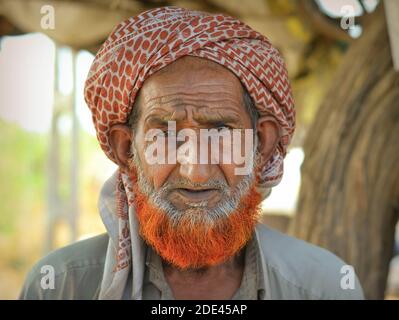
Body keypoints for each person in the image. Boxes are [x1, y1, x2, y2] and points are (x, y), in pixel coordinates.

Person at [20, 7, 364, 300]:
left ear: (262, 144)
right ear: (127, 149)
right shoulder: (60, 285)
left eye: (221, 132)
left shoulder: (324, 287)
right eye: (166, 136)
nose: (195, 171)